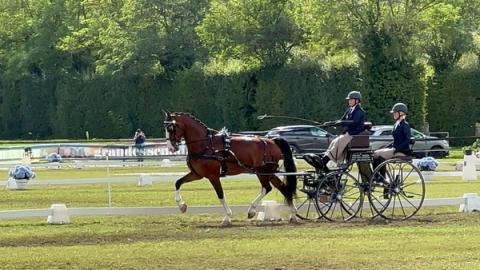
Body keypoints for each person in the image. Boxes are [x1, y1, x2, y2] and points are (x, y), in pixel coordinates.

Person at [305, 91, 365, 172]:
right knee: (334, 141)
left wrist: (342, 122)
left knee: (338, 142)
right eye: (349, 100)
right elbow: (341, 120)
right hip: (348, 134)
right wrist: (330, 123)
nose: (349, 101)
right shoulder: (349, 110)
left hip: (354, 135)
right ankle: (324, 158)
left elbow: (354, 122)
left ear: (357, 101)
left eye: (351, 100)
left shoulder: (360, 112)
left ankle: (324, 160)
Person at [372, 103, 412, 172]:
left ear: (401, 113)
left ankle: (381, 177)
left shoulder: (405, 125)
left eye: (395, 113)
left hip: (402, 151)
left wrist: (396, 149)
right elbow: (396, 140)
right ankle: (377, 175)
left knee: (379, 155)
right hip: (395, 148)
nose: (393, 114)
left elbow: (407, 140)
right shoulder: (396, 124)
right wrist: (388, 147)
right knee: (375, 153)